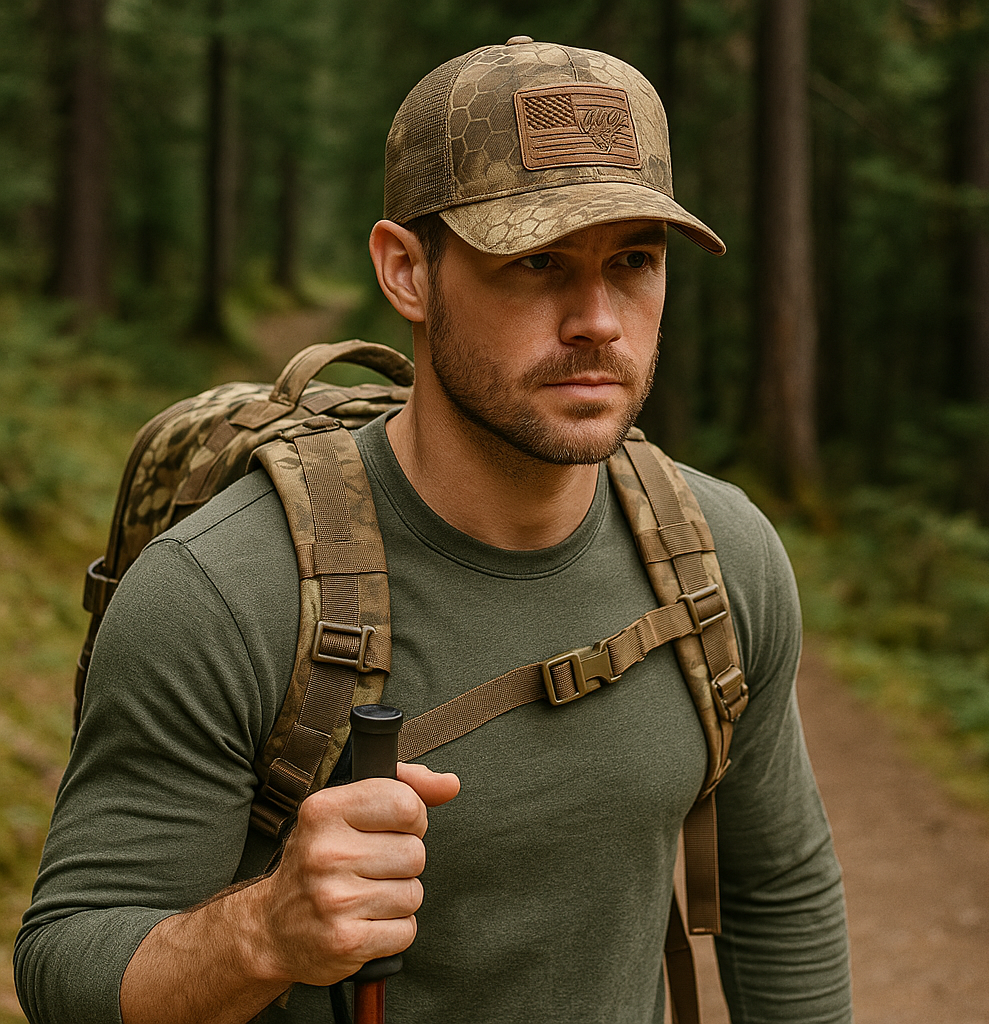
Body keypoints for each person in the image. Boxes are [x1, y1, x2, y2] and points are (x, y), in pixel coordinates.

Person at [16, 37, 852, 1024]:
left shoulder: (720, 556)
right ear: (406, 270)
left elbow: (780, 888)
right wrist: (263, 932)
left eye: (633, 260)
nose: (597, 319)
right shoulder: (225, 590)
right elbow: (65, 959)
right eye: (536, 260)